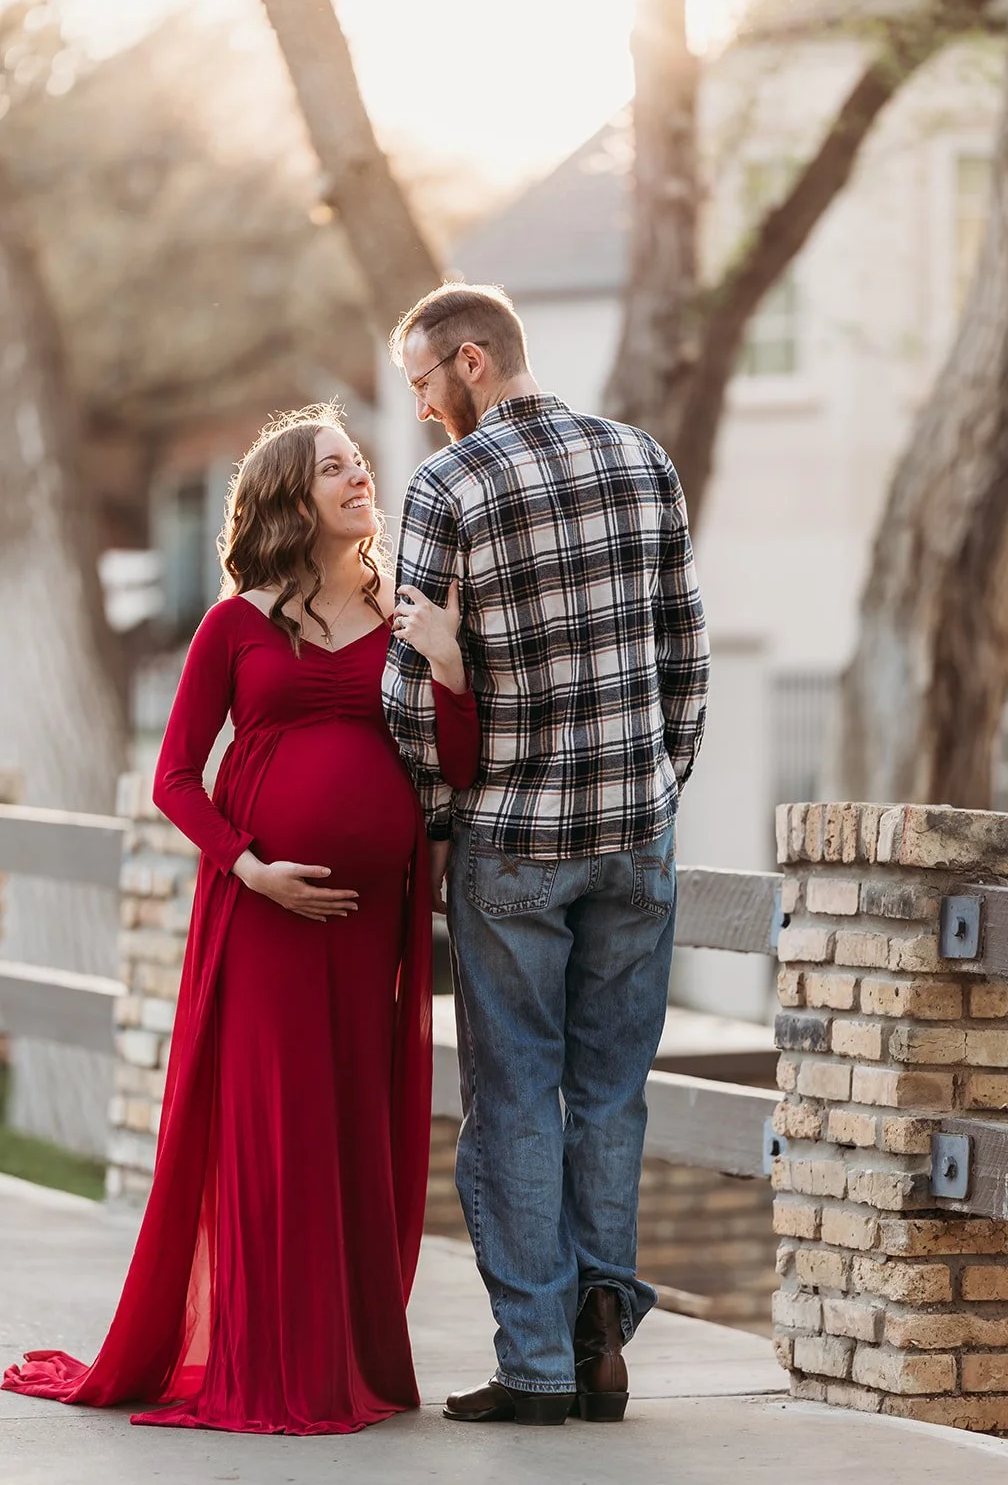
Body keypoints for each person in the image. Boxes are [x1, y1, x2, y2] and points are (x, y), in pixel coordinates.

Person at [3, 404, 479, 1435]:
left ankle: (345, 1355)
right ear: (288, 499)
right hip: (261, 915)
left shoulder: (404, 613)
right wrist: (252, 869)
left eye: (360, 464)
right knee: (275, 1124)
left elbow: (454, 762)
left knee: (351, 1121)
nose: (362, 478)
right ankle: (271, 1361)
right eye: (336, 469)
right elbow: (175, 778)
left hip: (366, 925)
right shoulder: (234, 624)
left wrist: (446, 666)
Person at [383, 285, 710, 1426]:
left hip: (513, 843)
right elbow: (688, 652)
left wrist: (436, 814)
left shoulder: (449, 488)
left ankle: (534, 1364)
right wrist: (656, 790)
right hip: (636, 838)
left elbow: (410, 691)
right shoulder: (640, 456)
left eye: (424, 385)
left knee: (515, 1099)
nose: (423, 411)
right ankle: (600, 1334)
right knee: (611, 1094)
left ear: (470, 360)